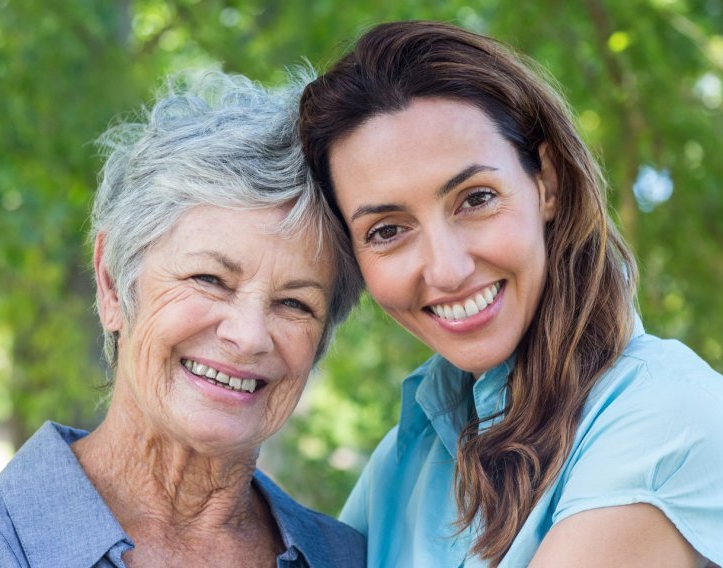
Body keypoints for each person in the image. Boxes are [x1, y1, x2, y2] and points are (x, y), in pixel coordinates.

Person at [298, 20, 723, 568]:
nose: (447, 270)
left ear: (546, 181)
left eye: (475, 198)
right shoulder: (405, 459)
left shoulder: (669, 413)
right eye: (387, 230)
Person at [0, 69, 366, 567]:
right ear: (113, 282)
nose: (247, 337)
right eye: (209, 279)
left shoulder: (349, 558)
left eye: (295, 304)